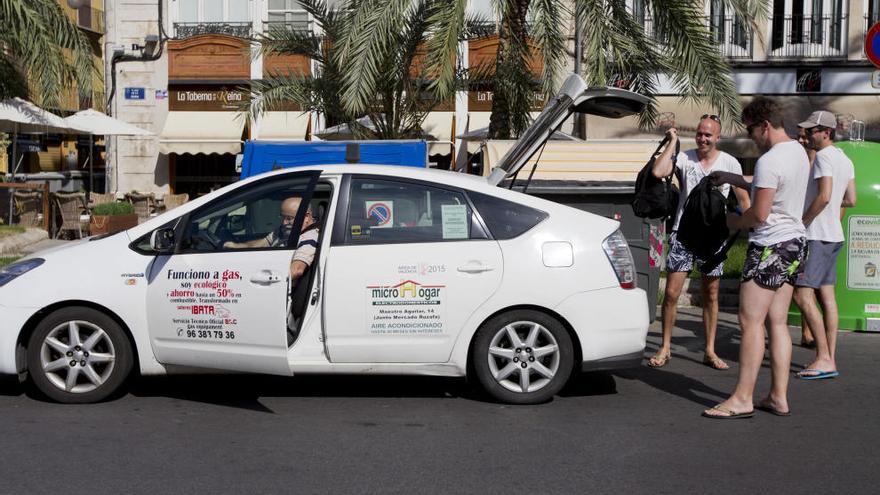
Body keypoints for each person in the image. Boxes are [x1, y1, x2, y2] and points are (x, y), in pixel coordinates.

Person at [702, 96, 810, 419]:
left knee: (749, 321)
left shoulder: (769, 160)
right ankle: (778, 396)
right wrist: (735, 179)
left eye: (751, 130)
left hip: (768, 246)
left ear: (765, 126)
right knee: (777, 321)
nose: (751, 137)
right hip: (794, 243)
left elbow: (759, 214)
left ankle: (742, 397)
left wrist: (733, 222)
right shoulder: (798, 153)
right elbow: (772, 186)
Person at [647, 115, 751, 370]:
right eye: (700, 134)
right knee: (671, 293)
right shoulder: (685, 158)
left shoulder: (730, 163)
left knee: (711, 293)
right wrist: (673, 141)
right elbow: (658, 171)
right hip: (684, 234)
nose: (703, 139)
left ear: (718, 137)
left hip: (713, 237)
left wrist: (751, 228)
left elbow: (744, 200)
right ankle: (665, 346)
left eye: (708, 135)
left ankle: (710, 349)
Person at [792, 111, 857, 380]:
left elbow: (825, 195)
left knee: (802, 296)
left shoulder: (824, 158)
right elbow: (850, 199)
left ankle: (823, 358)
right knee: (827, 298)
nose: (807, 134)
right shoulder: (845, 158)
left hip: (816, 235)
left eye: (813, 130)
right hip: (833, 235)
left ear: (826, 132)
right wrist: (828, 210)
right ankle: (829, 355)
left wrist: (803, 222)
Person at [224, 197, 319, 280]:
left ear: (306, 217)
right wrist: (236, 246)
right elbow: (261, 243)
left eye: (289, 218)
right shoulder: (285, 230)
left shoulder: (309, 238)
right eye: (282, 217)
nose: (284, 223)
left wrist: (264, 277)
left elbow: (296, 270)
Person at [795, 126, 818, 348]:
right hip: (795, 229)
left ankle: (809, 332)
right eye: (798, 136)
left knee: (805, 287)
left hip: (812, 230)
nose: (801, 140)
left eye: (805, 136)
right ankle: (806, 332)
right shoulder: (795, 160)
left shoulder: (820, 163)